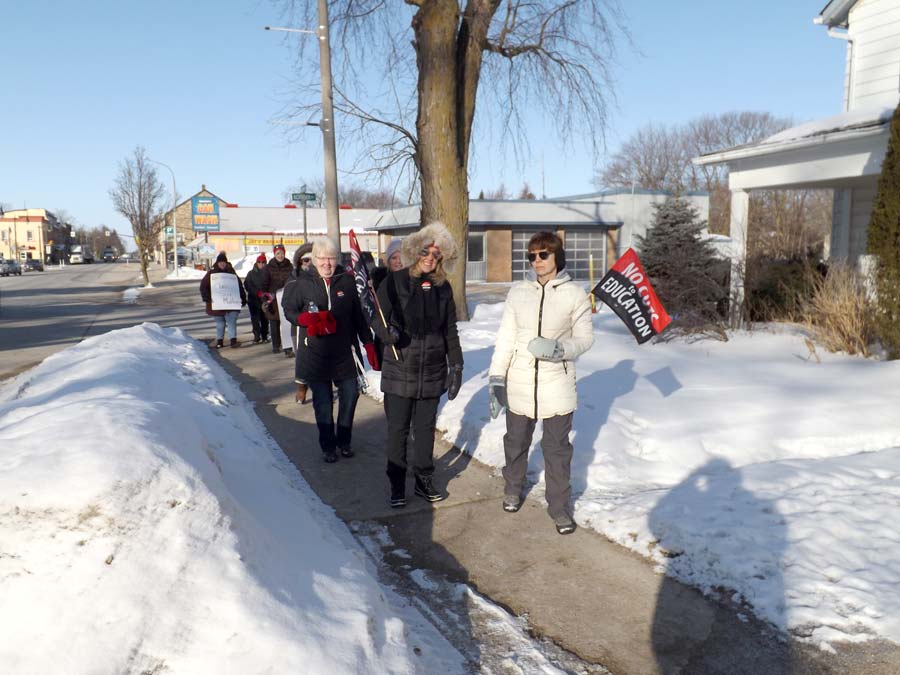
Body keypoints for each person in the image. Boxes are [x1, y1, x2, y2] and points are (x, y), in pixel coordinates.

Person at [487, 231, 593, 535]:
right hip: (519, 380)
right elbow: (506, 338)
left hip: (557, 384)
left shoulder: (575, 294)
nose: (537, 261)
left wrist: (559, 349)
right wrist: (497, 378)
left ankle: (559, 508)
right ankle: (513, 488)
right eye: (532, 256)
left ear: (557, 256)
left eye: (543, 254)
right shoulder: (518, 293)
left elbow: (585, 339)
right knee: (515, 442)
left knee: (557, 450)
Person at [373, 223, 463, 508]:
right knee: (398, 430)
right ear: (415, 251)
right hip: (400, 367)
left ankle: (424, 480)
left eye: (436, 254)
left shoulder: (443, 287)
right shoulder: (395, 281)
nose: (430, 258)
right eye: (426, 251)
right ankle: (397, 484)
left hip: (432, 371)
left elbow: (450, 330)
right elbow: (377, 317)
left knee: (424, 430)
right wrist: (386, 333)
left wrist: (456, 365)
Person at [282, 237, 379, 463]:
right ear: (314, 259)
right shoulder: (302, 282)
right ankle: (328, 446)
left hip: (344, 352)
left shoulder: (347, 282)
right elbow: (289, 310)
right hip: (315, 353)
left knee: (351, 395)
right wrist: (302, 319)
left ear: (337, 259)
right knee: (323, 402)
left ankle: (344, 441)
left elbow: (358, 317)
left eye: (331, 258)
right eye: (322, 258)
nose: (327, 263)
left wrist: (368, 343)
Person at [199, 251, 247, 349]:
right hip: (217, 303)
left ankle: (233, 341)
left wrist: (243, 297)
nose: (222, 264)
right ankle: (219, 341)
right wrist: (207, 297)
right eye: (220, 262)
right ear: (217, 263)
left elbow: (239, 286)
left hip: (231, 303)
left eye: (223, 262)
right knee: (220, 323)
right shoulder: (211, 274)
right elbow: (203, 286)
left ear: (226, 262)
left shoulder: (232, 273)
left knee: (231, 321)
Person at [286, 243, 314, 403]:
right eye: (306, 260)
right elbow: (288, 305)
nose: (309, 263)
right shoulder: (294, 278)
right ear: (299, 262)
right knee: (303, 359)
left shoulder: (322, 276)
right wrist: (300, 318)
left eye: (313, 259)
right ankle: (302, 388)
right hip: (301, 326)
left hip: (320, 325)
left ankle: (322, 391)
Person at [260, 243, 295, 358]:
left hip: (287, 298)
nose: (280, 255)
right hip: (273, 300)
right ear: (274, 254)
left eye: (282, 253)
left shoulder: (290, 266)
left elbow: (294, 281)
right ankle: (276, 345)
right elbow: (263, 285)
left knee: (287, 323)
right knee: (274, 323)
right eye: (278, 253)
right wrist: (265, 299)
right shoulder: (268, 268)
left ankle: (288, 347)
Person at [243, 253, 270, 344]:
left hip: (265, 299)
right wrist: (257, 292)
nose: (261, 264)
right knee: (255, 319)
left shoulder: (268, 273)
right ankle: (257, 336)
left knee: (265, 319)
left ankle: (265, 336)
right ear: (256, 263)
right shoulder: (251, 273)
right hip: (254, 300)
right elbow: (247, 285)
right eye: (259, 262)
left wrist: (266, 294)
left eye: (263, 262)